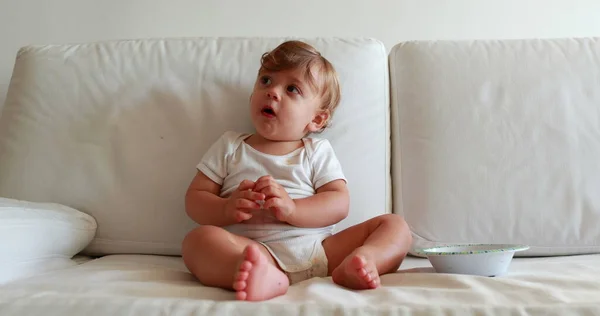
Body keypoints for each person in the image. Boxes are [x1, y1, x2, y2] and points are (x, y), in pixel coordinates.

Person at [181, 40, 412, 301]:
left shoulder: (316, 151)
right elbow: (195, 199)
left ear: (316, 119)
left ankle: (363, 261)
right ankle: (255, 273)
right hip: (255, 250)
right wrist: (225, 209)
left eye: (292, 88)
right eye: (266, 81)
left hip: (321, 252)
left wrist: (293, 209)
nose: (272, 92)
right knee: (196, 241)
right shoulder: (231, 146)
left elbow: (339, 202)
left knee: (395, 225)